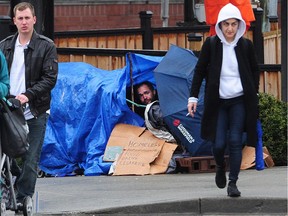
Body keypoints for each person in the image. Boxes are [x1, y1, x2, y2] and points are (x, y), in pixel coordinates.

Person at [187, 3, 259, 197]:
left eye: (234, 24)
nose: (229, 29)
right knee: (218, 144)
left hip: (239, 101)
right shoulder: (211, 45)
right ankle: (220, 166)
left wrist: (254, 93)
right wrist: (193, 97)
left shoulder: (246, 46)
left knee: (235, 141)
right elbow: (199, 71)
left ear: (239, 25)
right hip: (218, 102)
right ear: (219, 25)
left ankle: (233, 183)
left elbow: (254, 71)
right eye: (226, 24)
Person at [0, 2, 58, 207]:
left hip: (35, 109)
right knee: (9, 157)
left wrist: (28, 95)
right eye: (20, 18)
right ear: (14, 21)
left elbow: (50, 78)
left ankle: (23, 198)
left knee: (30, 157)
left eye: (27, 18)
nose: (24, 22)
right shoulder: (5, 45)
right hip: (8, 109)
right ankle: (13, 190)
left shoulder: (46, 45)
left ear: (34, 19)